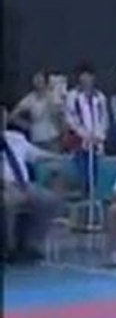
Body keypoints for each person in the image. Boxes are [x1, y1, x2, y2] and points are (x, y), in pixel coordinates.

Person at [2, 103, 63, 264]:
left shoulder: (16, 138)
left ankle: (32, 244)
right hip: (5, 186)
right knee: (7, 203)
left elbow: (35, 155)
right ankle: (9, 248)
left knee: (49, 200)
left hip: (24, 185)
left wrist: (58, 157)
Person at [64, 63, 109, 195]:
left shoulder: (100, 97)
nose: (86, 79)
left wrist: (99, 137)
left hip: (96, 141)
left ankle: (93, 196)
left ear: (93, 78)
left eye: (88, 76)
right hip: (80, 142)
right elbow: (71, 119)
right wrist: (85, 135)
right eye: (82, 77)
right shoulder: (72, 96)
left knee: (96, 176)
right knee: (82, 175)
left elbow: (104, 118)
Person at [11, 70, 62, 151]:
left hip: (52, 140)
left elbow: (58, 114)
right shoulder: (29, 98)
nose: (38, 82)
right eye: (36, 80)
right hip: (36, 140)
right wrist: (26, 125)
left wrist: (50, 98)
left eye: (40, 80)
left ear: (46, 82)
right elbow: (13, 116)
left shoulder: (53, 96)